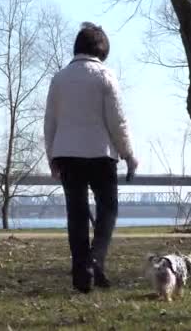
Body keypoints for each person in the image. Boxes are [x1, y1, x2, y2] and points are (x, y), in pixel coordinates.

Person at [44, 22, 138, 294]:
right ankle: (96, 259)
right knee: (108, 208)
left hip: (67, 153)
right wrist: (129, 154)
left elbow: (50, 122)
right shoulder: (105, 76)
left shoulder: (59, 79)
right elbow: (117, 122)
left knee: (76, 213)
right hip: (100, 153)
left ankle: (81, 272)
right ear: (102, 51)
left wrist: (52, 156)